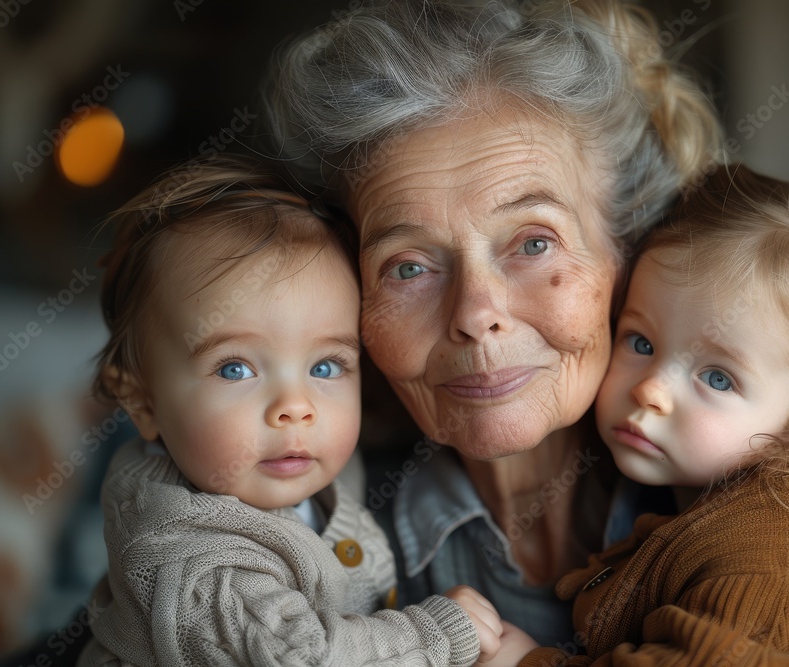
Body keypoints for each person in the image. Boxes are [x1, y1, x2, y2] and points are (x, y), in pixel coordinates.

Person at [265, 0, 722, 648]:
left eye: (534, 244)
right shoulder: (300, 537)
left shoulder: (748, 502)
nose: (477, 315)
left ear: (629, 254)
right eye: (408, 268)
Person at [516, 165, 789, 665]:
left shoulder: (779, 541)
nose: (650, 391)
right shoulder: (718, 496)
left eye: (718, 378)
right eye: (641, 342)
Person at [77, 156, 507, 666]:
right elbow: (303, 658)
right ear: (142, 403)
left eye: (326, 367)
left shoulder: (304, 461)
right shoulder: (193, 559)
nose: (296, 408)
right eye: (235, 369)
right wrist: (437, 634)